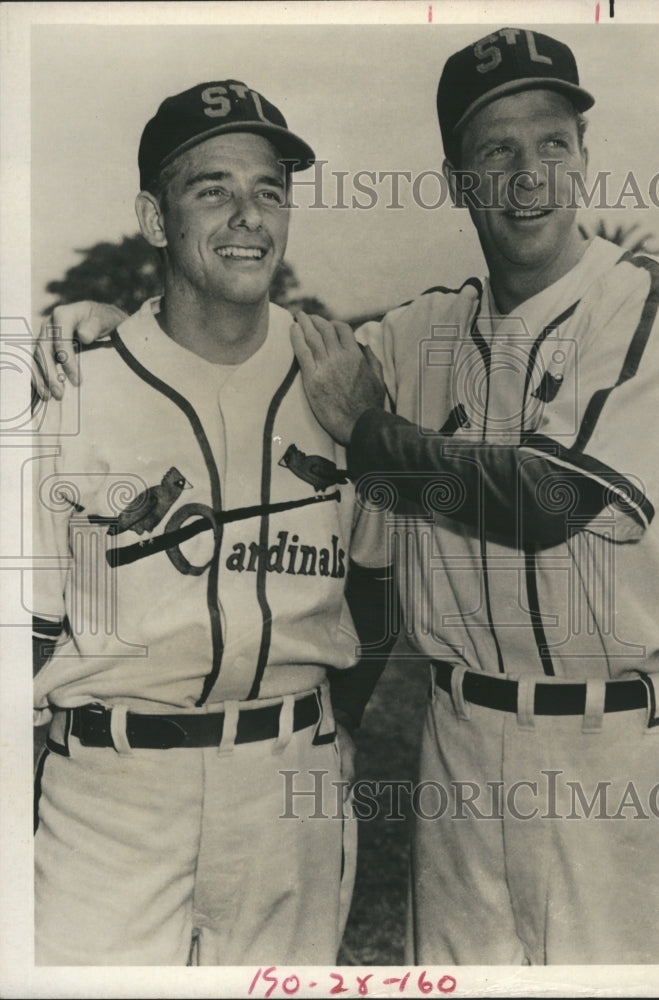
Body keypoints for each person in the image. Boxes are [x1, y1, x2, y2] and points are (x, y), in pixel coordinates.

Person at [36, 29, 659, 966]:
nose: (529, 174)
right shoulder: (419, 336)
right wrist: (110, 331)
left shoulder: (655, 302)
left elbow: (545, 503)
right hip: (459, 747)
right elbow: (234, 352)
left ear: (584, 159)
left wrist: (372, 435)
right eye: (496, 149)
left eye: (553, 143)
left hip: (622, 751)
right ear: (457, 180)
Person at [30, 79, 388, 966]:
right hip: (111, 792)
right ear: (155, 219)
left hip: (289, 783)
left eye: (269, 190)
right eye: (213, 189)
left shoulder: (343, 378)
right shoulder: (73, 387)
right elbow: (28, 633)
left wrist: (332, 727)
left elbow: (376, 587)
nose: (248, 217)